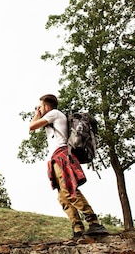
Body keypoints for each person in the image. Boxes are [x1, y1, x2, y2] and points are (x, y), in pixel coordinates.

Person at [29, 94, 108, 239]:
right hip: (55, 158)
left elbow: (31, 126)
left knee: (69, 189)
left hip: (62, 156)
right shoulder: (52, 118)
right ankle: (77, 228)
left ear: (47, 106)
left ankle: (94, 222)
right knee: (63, 197)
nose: (39, 109)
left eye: (40, 106)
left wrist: (36, 114)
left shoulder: (54, 113)